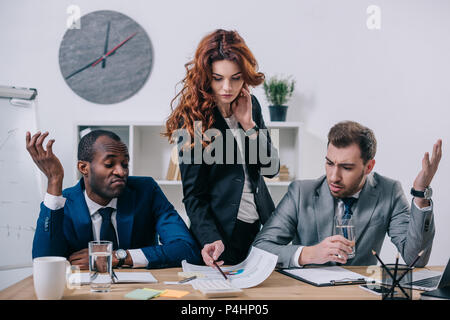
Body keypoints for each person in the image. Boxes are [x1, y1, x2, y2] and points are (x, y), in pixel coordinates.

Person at [253, 121, 442, 268]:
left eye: (346, 167)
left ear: (369, 167)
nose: (334, 177)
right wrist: (309, 254)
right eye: (329, 163)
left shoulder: (389, 191)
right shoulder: (301, 192)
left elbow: (415, 259)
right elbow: (260, 249)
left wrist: (420, 192)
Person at [164, 29, 280, 267]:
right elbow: (194, 196)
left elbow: (271, 169)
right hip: (221, 234)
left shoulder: (251, 104)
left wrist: (248, 125)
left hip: (260, 228)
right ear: (206, 75)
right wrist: (211, 238)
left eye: (236, 78)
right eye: (218, 78)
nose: (227, 87)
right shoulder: (193, 118)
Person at [27, 129, 201, 269]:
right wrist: (54, 181)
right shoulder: (64, 202)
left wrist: (117, 256)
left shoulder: (146, 191)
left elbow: (186, 248)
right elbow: (43, 262)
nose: (121, 171)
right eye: (110, 164)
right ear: (83, 167)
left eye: (125, 164)